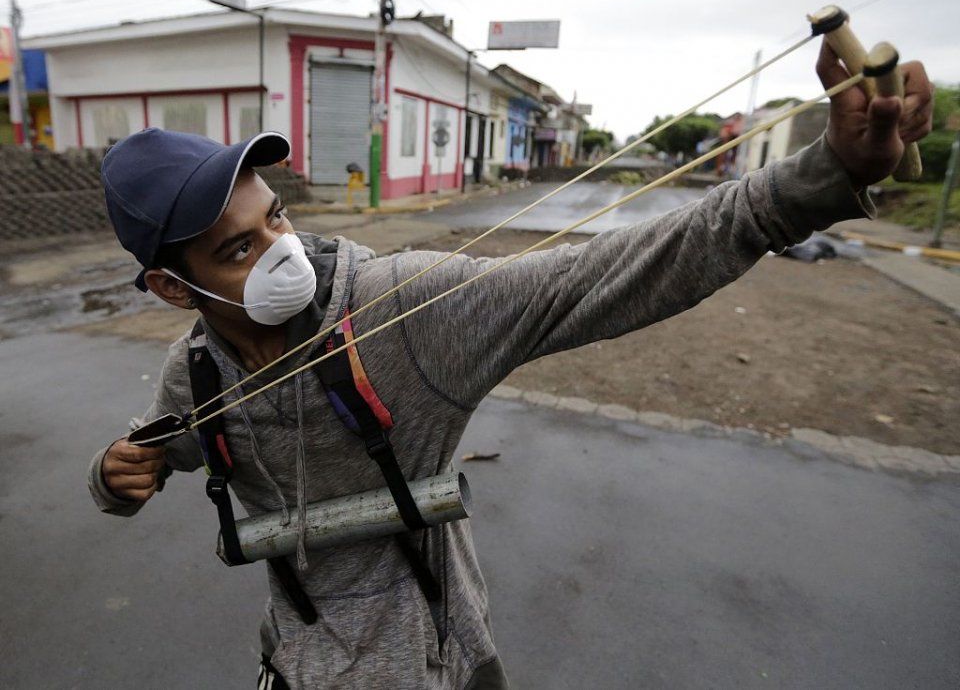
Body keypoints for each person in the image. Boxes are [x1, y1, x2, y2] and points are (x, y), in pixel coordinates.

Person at [87, 44, 933, 689]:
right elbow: (152, 457)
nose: (282, 252)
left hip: (438, 660)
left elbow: (610, 274)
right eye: (239, 249)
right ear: (171, 287)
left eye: (276, 217)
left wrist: (824, 180)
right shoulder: (192, 376)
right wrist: (113, 476)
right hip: (298, 663)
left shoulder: (403, 309)